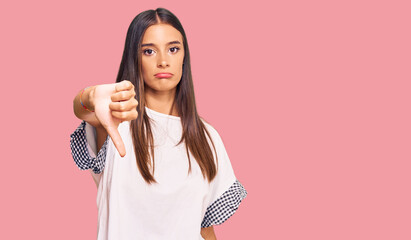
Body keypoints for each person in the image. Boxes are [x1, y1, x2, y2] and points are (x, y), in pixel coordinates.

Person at [69, 7, 247, 240]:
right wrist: (89, 96)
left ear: (184, 55)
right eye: (149, 51)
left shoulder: (208, 137)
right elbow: (85, 110)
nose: (163, 61)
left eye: (173, 49)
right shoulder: (115, 121)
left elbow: (205, 229)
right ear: (135, 57)